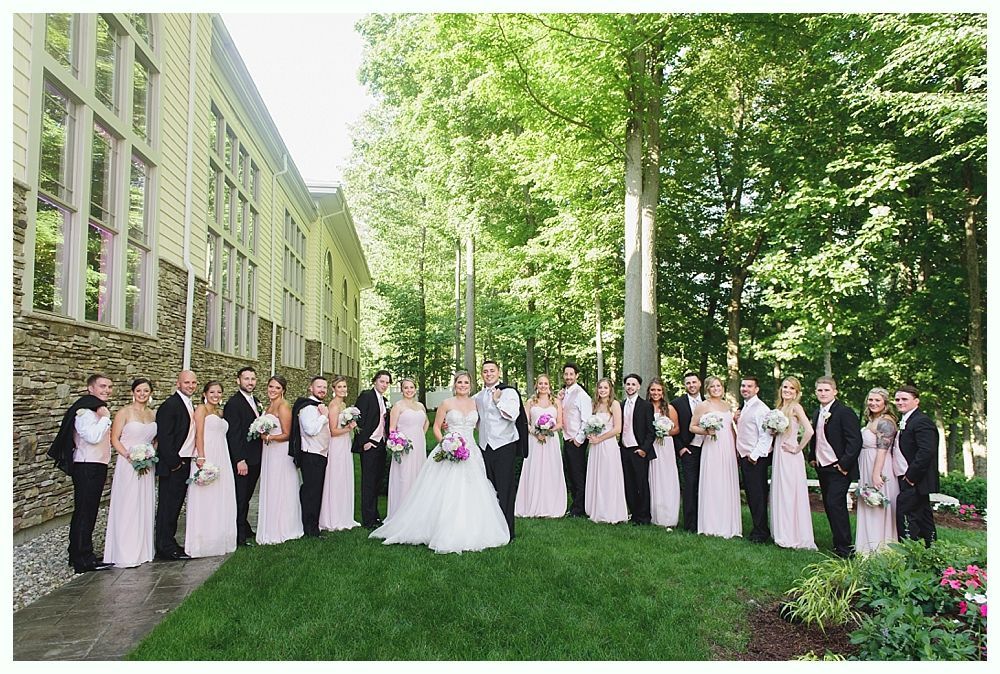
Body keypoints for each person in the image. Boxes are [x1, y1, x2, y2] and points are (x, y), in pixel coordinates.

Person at [370, 371, 510, 553]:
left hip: (471, 451)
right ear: (455, 384)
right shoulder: (446, 403)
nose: (463, 385)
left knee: (474, 489)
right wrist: (446, 443)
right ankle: (437, 527)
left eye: (466, 383)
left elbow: (479, 425)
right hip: (449, 448)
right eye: (460, 382)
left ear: (471, 385)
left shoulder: (476, 403)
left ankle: (472, 527)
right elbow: (436, 427)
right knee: (445, 489)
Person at [48, 373, 116, 573]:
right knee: (85, 512)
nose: (107, 390)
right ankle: (83, 560)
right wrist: (105, 418)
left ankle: (79, 553)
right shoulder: (85, 412)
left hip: (96, 465)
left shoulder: (95, 409)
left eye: (109, 387)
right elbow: (93, 437)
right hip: (87, 466)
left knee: (89, 510)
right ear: (91, 388)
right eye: (102, 386)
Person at [103, 378, 157, 568]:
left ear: (150, 393)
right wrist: (130, 456)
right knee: (128, 504)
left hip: (147, 464)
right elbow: (114, 439)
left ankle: (142, 549)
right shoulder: (124, 412)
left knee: (144, 503)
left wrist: (150, 454)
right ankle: (125, 551)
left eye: (146, 391)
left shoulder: (152, 414)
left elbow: (154, 439)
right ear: (133, 392)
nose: (142, 394)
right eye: (139, 390)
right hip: (128, 464)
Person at [808, 376, 862, 558]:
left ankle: (846, 548)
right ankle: (838, 543)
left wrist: (844, 464)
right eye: (820, 390)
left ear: (835, 392)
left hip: (839, 467)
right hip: (822, 466)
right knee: (829, 505)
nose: (823, 393)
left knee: (835, 504)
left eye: (826, 390)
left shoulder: (844, 412)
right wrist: (812, 457)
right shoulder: (817, 412)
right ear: (816, 392)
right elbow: (816, 437)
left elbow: (855, 441)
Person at [474, 360, 528, 540]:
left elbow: (513, 415)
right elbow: (475, 418)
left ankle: (507, 531)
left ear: (498, 372)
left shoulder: (509, 392)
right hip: (485, 446)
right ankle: (491, 529)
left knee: (505, 489)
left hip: (504, 446)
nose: (488, 374)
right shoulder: (479, 396)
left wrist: (497, 401)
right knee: (488, 489)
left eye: (492, 371)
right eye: (485, 371)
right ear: (482, 374)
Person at [185, 382, 237, 557]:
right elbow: (199, 433)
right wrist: (201, 456)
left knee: (221, 495)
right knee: (206, 497)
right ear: (205, 393)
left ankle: (220, 537)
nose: (216, 395)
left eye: (219, 392)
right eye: (212, 392)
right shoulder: (201, 410)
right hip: (207, 455)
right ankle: (203, 541)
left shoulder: (219, 413)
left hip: (223, 455)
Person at [153, 370, 198, 561]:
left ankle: (169, 542)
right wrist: (175, 463)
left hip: (186, 461)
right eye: (187, 382)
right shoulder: (170, 405)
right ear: (178, 383)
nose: (190, 386)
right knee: (167, 507)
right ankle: (164, 546)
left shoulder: (188, 404)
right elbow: (165, 437)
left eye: (193, 383)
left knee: (176, 505)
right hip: (175, 464)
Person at [769, 376, 817, 550]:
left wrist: (797, 449)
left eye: (791, 389)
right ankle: (781, 531)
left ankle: (792, 535)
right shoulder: (779, 407)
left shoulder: (796, 407)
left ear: (796, 392)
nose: (787, 391)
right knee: (781, 491)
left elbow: (809, 431)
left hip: (790, 455)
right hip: (779, 454)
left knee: (790, 492)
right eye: (785, 387)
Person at [690, 376, 741, 539]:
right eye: (712, 386)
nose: (716, 388)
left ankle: (728, 523)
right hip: (712, 447)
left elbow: (730, 428)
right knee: (713, 482)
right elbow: (692, 427)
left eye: (718, 385)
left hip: (727, 447)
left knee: (727, 482)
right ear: (707, 389)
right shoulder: (703, 405)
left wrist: (736, 447)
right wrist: (706, 432)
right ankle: (711, 524)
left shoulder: (727, 405)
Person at [255, 375, 303, 545]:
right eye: (271, 386)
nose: (273, 390)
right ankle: (270, 526)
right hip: (269, 452)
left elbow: (288, 434)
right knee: (271, 486)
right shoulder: (268, 406)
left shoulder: (283, 406)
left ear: (283, 390)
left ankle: (285, 527)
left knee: (281, 486)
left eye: (277, 388)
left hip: (280, 452)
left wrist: (269, 438)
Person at [514, 374, 567, 518]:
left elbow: (560, 423)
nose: (543, 386)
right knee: (535, 469)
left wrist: (548, 430)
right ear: (536, 385)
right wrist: (537, 433)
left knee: (551, 470)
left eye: (546, 384)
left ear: (550, 386)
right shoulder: (531, 402)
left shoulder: (556, 402)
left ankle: (551, 505)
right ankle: (532, 504)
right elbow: (525, 423)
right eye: (540, 383)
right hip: (534, 440)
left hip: (551, 441)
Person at [893, 385, 939, 548]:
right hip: (910, 480)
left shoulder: (922, 421)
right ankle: (932, 551)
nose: (900, 402)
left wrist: (910, 478)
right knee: (924, 517)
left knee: (905, 516)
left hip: (915, 480)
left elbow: (926, 452)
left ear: (916, 401)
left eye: (904, 399)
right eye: (897, 399)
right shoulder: (906, 420)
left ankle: (908, 552)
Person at [223, 366, 264, 547]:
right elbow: (234, 434)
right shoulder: (233, 404)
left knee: (246, 496)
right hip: (244, 460)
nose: (250, 382)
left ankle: (245, 527)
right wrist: (240, 460)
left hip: (256, 457)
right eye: (246, 379)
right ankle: (239, 536)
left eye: (252, 379)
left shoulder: (256, 400)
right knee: (240, 497)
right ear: (238, 380)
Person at [855, 387, 898, 554]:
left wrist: (875, 474)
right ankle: (867, 544)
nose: (873, 403)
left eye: (877, 400)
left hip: (879, 466)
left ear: (885, 403)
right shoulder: (872, 419)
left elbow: (883, 450)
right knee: (869, 504)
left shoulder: (885, 422)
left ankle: (880, 547)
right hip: (867, 464)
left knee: (878, 504)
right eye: (870, 400)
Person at [735, 376, 774, 544]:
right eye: (743, 386)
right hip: (745, 456)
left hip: (754, 459)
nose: (745, 389)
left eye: (749, 386)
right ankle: (758, 528)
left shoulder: (761, 408)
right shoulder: (745, 407)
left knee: (758, 495)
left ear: (756, 389)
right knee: (752, 495)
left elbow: (766, 435)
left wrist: (754, 455)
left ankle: (761, 532)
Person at [290, 376, 330, 538]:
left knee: (316, 491)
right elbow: (310, 430)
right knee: (311, 493)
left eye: (324, 388)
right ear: (310, 388)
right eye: (319, 387)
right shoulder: (307, 408)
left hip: (319, 454)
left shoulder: (318, 406)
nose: (322, 390)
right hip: (311, 455)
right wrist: (324, 416)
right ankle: (310, 529)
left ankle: (313, 526)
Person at [352, 370, 392, 529]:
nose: (384, 385)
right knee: (368, 483)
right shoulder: (366, 396)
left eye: (387, 382)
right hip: (369, 444)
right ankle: (368, 519)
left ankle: (375, 515)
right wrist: (364, 442)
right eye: (382, 381)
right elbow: (358, 419)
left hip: (381, 444)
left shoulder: (385, 400)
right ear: (375, 381)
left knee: (376, 482)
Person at [584, 378, 627, 524]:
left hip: (608, 445)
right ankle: (596, 509)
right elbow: (588, 423)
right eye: (600, 388)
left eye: (605, 388)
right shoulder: (594, 404)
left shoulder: (614, 404)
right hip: (595, 446)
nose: (602, 390)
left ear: (610, 390)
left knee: (608, 477)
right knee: (597, 476)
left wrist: (600, 438)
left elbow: (617, 429)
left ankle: (610, 511)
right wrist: (590, 434)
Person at [320, 375, 361, 531]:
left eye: (344, 386)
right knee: (336, 478)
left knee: (344, 477)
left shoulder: (343, 405)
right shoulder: (334, 406)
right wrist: (349, 428)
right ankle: (333, 517)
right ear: (333, 389)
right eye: (340, 387)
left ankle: (344, 514)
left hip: (344, 444)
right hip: (336, 444)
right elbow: (332, 431)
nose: (343, 389)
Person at [386, 378, 428, 518]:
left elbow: (426, 422)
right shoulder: (398, 406)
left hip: (419, 445)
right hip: (404, 447)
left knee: (418, 475)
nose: (409, 390)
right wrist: (398, 443)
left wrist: (421, 434)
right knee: (404, 476)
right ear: (402, 390)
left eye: (411, 387)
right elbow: (392, 429)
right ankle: (401, 513)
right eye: (406, 388)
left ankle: (417, 513)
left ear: (415, 389)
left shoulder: (420, 406)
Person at [619, 373, 657, 526]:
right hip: (624, 449)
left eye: (633, 384)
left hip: (639, 450)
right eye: (628, 384)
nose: (630, 387)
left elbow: (651, 431)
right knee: (629, 483)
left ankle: (644, 517)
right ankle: (634, 514)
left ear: (639, 386)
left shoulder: (646, 406)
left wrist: (644, 449)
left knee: (641, 484)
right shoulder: (620, 405)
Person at [671, 372, 703, 532]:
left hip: (708, 450)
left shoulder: (709, 402)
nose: (691, 385)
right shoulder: (677, 403)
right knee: (690, 486)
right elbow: (673, 428)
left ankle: (706, 521)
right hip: (688, 450)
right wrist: (681, 448)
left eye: (694, 382)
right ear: (685, 386)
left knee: (706, 486)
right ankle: (690, 524)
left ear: (700, 383)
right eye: (688, 383)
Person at [559, 362, 591, 518]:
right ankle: (575, 505)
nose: (568, 377)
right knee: (570, 473)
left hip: (576, 440)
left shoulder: (581, 395)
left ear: (577, 375)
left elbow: (586, 419)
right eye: (566, 374)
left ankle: (580, 508)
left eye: (571, 374)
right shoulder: (564, 393)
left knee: (578, 474)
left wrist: (579, 439)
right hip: (567, 438)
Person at [647, 378, 680, 528]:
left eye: (659, 390)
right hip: (651, 445)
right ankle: (654, 513)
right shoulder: (645, 407)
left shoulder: (669, 408)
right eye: (653, 390)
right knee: (652, 477)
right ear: (649, 391)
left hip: (666, 445)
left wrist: (663, 432)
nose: (656, 393)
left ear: (663, 392)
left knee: (666, 478)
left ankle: (669, 515)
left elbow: (676, 429)